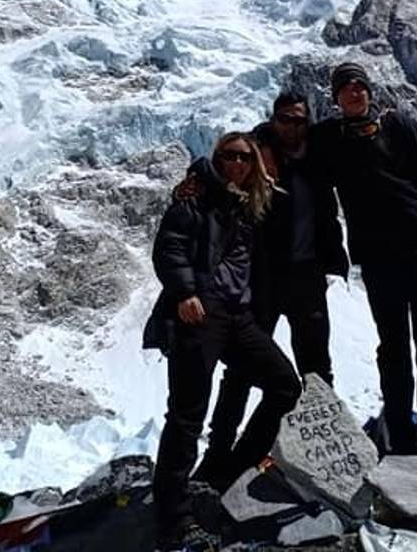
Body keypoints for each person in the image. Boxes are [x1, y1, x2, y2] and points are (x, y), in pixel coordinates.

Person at [143, 131, 302, 550]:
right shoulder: (195, 198)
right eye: (228, 156)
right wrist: (185, 293)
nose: (236, 163)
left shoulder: (246, 202)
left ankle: (228, 471)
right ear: (215, 158)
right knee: (186, 416)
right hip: (201, 312)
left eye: (244, 157)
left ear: (254, 163)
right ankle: (170, 520)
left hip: (238, 315)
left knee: (285, 385)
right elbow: (169, 247)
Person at [193, 93, 349, 488]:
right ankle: (219, 459)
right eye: (284, 119)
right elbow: (222, 172)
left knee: (316, 367)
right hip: (263, 281)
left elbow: (354, 132)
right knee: (243, 371)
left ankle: (318, 448)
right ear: (274, 120)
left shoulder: (316, 156)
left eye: (298, 120)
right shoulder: (257, 155)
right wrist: (191, 182)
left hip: (308, 277)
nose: (291, 127)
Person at [311, 62, 417, 456]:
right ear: (335, 97)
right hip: (379, 258)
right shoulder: (329, 139)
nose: (354, 92)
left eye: (359, 85)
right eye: (346, 87)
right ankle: (398, 428)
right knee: (392, 343)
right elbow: (286, 144)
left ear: (369, 91)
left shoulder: (398, 125)